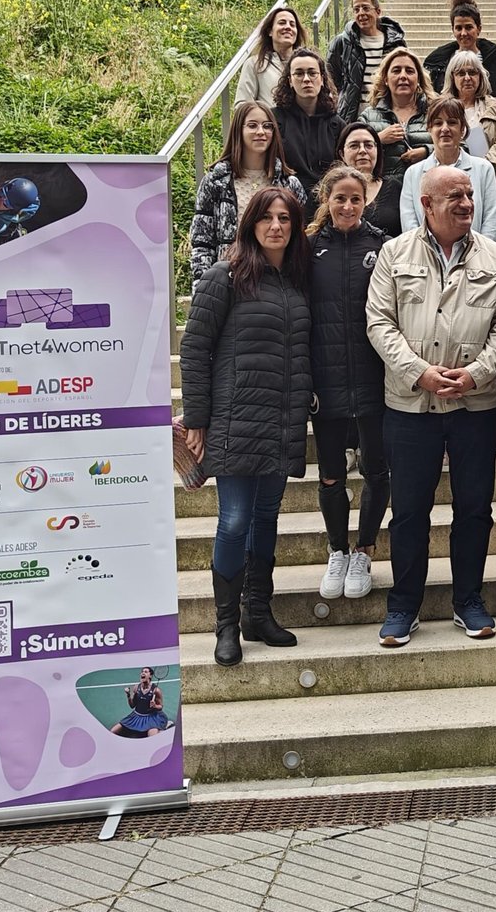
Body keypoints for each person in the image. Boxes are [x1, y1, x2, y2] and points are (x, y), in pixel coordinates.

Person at [366, 166, 496, 646]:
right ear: (426, 204)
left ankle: (468, 600)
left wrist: (476, 374)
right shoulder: (394, 253)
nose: (467, 203)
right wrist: (420, 373)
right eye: (455, 196)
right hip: (411, 404)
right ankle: (403, 605)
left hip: (475, 404)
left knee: (474, 509)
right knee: (409, 511)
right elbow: (379, 323)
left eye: (469, 194)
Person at [180, 186, 312, 666]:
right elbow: (195, 347)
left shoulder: (297, 280)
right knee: (234, 521)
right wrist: (197, 418)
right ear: (250, 224)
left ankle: (258, 612)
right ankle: (226, 624)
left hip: (282, 421)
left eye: (285, 218)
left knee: (267, 518)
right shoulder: (226, 276)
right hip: (236, 420)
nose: (276, 226)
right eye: (266, 218)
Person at [307, 165, 392, 603]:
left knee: (376, 470)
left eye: (355, 198)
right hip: (325, 379)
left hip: (373, 377)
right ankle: (337, 550)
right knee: (330, 474)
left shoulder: (382, 246)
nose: (347, 205)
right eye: (339, 198)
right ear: (326, 199)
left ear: (365, 201)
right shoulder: (307, 247)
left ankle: (364, 551)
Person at [190, 100, 308, 285]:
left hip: (277, 283)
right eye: (252, 125)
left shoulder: (289, 184)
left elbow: (300, 239)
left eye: (267, 126)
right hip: (229, 281)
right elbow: (202, 243)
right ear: (239, 130)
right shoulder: (216, 182)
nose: (261, 132)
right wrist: (203, 287)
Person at [402, 97, 496, 240]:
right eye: (438, 123)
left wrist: (479, 252)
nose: (445, 129)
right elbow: (409, 223)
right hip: (424, 252)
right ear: (429, 129)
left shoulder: (483, 169)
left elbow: (492, 221)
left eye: (452, 122)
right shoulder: (413, 173)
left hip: (478, 251)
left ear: (462, 129)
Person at [271, 48, 344, 214]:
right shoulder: (275, 120)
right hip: (286, 204)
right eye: (299, 73)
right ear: (290, 81)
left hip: (326, 206)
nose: (306, 79)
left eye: (312, 73)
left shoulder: (336, 124)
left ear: (322, 79)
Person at [422, 0, 496, 116]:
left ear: (479, 29)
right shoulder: (440, 64)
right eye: (458, 28)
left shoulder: (494, 61)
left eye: (468, 27)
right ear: (453, 30)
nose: (463, 33)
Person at [327, 0, 407, 119]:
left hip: (386, 113)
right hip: (353, 116)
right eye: (356, 9)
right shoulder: (342, 42)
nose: (361, 13)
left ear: (378, 11)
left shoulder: (395, 43)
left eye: (365, 8)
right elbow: (330, 78)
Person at [359, 47, 434, 175]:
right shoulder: (368, 116)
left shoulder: (435, 112)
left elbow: (460, 148)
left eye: (409, 71)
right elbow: (352, 152)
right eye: (396, 71)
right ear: (386, 80)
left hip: (426, 184)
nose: (403, 76)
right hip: (383, 186)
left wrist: (427, 152)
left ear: (418, 79)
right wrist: (378, 139)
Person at [334, 121, 403, 238]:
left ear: (377, 151)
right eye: (354, 145)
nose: (362, 150)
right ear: (342, 154)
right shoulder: (328, 190)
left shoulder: (396, 187)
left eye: (368, 145)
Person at [441, 48, 496, 166]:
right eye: (461, 73)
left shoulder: (495, 107)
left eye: (472, 73)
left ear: (480, 76)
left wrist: (481, 166)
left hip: (488, 170)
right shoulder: (441, 108)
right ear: (452, 77)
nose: (467, 78)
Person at [236, 5, 306, 106]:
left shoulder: (307, 64)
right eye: (282, 23)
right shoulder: (254, 64)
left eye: (292, 24)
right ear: (270, 31)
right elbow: (243, 104)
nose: (288, 27)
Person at [109, 667, 173, 737]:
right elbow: (132, 705)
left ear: (150, 676)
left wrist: (155, 706)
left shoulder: (156, 690)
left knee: (152, 736)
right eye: (142, 672)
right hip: (137, 716)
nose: (143, 673)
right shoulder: (136, 688)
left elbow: (160, 707)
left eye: (145, 672)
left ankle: (164, 727)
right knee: (113, 731)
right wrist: (128, 695)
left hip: (151, 717)